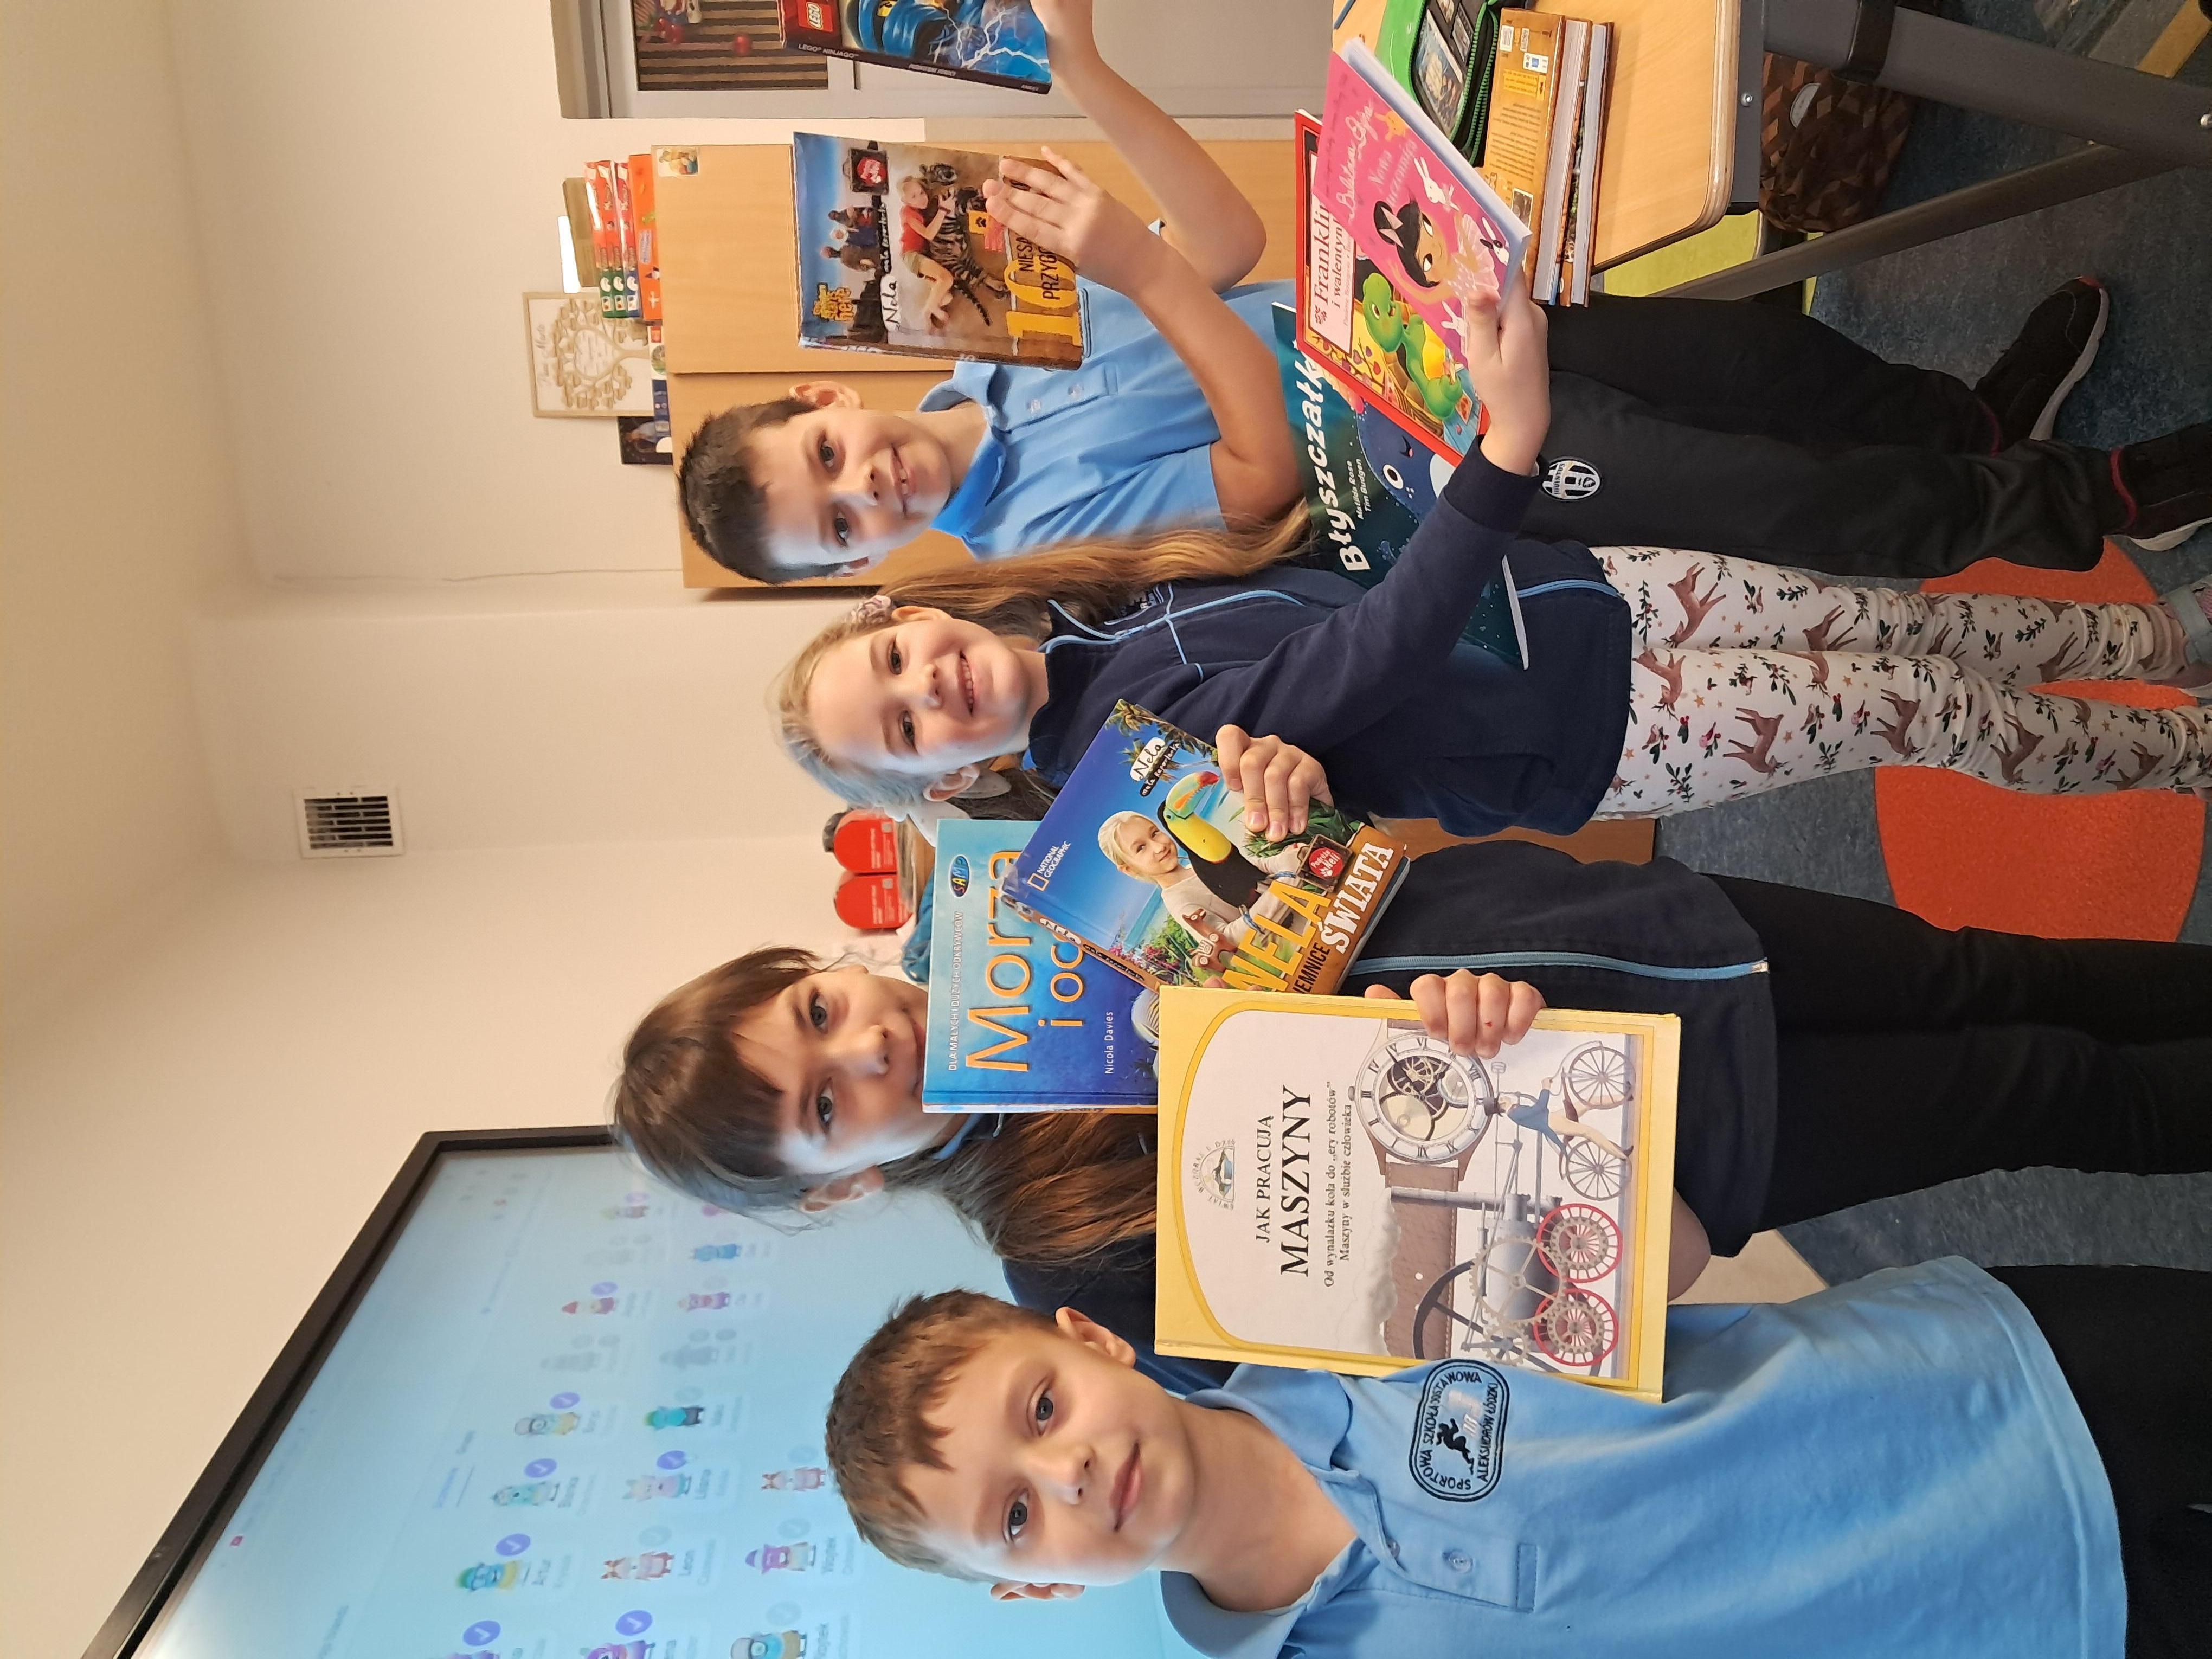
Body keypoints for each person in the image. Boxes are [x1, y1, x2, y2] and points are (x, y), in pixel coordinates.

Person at [608, 768, 2212, 1397]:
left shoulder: (1044, 876)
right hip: (1661, 1128)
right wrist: (1443, 1089)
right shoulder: (1070, 1260)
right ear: (840, 1181)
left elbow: (1315, 831)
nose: (865, 1049)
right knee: (2051, 1091)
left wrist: (1275, 787)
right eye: (823, 1104)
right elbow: (1404, 1336)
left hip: (1623, 931)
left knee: (1992, 968)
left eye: (817, 1012)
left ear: (825, 962)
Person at [678, 0, 2209, 587]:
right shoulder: (1026, 546)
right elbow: (1257, 475)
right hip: (1441, 447)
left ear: (825, 396)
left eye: (829, 459)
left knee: (1768, 371)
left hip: (1435, 308)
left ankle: (1976, 424)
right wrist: (1132, 264)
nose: (868, 489)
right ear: (857, 564)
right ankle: (2099, 500)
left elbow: (1221, 238)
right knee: (1780, 494)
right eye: (843, 529)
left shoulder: (989, 348)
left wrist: (1084, 68)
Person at [770, 262, 2212, 834]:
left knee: (1906, 624)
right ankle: (2187, 751)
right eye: (904, 728)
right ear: (946, 777)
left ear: (908, 618)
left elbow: (1324, 555)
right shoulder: (1116, 764)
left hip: (1583, 591)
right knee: (1931, 709)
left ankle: (2157, 639)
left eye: (893, 664)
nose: (927, 687)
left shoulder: (1090, 609)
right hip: (1595, 726)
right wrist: (1508, 450)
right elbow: (1364, 655)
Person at [821, 1264, 2211, 1657]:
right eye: (1015, 1519)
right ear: (1031, 1591)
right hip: (2032, 1628)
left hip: (1984, 1384)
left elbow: (1662, 1231)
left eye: (1042, 1408)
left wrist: (1501, 1049)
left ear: (1090, 1340)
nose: (1067, 1476)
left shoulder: (1339, 1300)